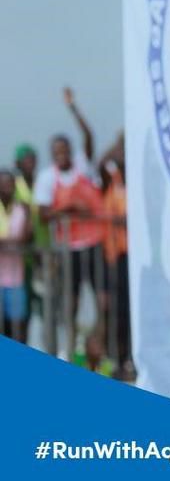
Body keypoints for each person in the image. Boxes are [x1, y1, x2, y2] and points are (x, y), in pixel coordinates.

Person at [34, 88, 105, 358]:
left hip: (93, 244)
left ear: (70, 151)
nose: (61, 154)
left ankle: (99, 350)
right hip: (68, 248)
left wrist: (74, 108)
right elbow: (42, 214)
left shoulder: (82, 166)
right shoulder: (46, 178)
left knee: (102, 301)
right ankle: (71, 348)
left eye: (65, 150)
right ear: (52, 154)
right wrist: (69, 208)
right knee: (71, 303)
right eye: (56, 151)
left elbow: (89, 136)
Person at [98, 131, 133, 380]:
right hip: (117, 257)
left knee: (133, 311)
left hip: (137, 258)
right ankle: (120, 359)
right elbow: (101, 163)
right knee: (118, 312)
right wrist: (118, 142)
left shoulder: (139, 184)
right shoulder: (112, 182)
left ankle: (132, 358)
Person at [13, 144, 48, 329]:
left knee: (47, 309)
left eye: (32, 158)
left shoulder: (42, 182)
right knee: (23, 312)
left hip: (44, 254)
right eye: (26, 159)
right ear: (17, 163)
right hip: (21, 260)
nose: (30, 162)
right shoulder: (12, 186)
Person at [0, 168, 31, 342]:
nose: (7, 187)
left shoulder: (22, 210)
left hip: (15, 279)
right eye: (3, 183)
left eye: (10, 183)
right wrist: (13, 241)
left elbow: (25, 239)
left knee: (18, 327)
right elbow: (16, 240)